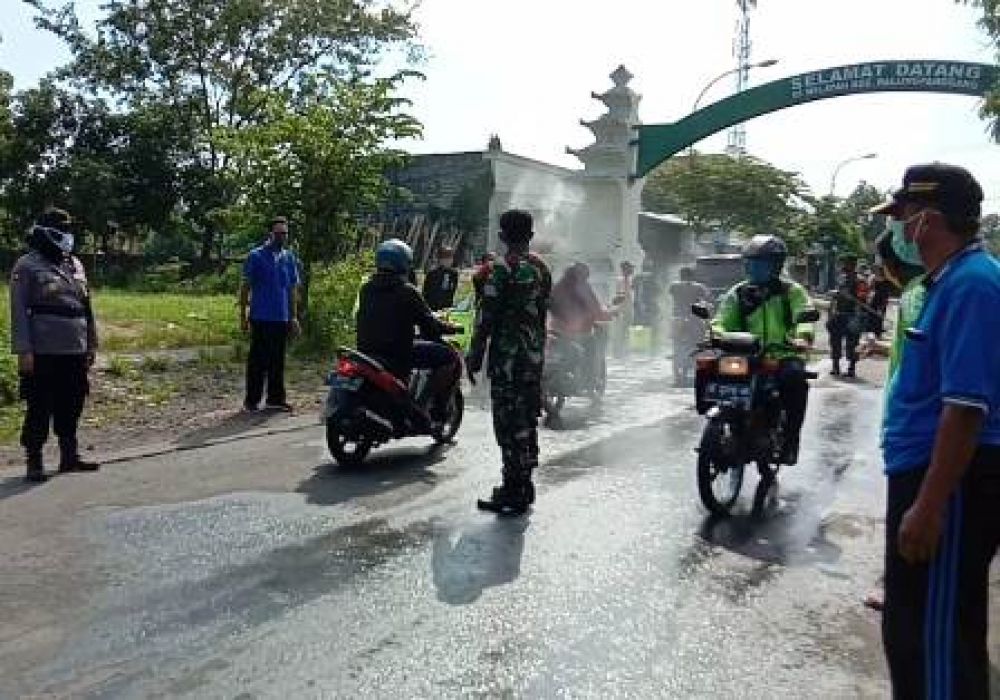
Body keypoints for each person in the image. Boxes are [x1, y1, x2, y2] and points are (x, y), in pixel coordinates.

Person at [873, 163, 999, 699]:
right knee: (911, 627)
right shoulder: (948, 281)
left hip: (952, 483)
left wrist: (929, 506)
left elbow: (966, 408)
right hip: (932, 474)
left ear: (926, 220)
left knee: (936, 636)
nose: (897, 230)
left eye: (901, 217)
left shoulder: (973, 285)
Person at [467, 210, 552, 515]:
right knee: (527, 418)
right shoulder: (542, 268)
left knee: (507, 423)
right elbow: (543, 311)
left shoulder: (498, 271)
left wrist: (474, 355)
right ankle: (524, 483)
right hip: (533, 358)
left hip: (507, 362)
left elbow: (485, 319)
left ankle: (512, 489)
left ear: (502, 236)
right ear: (530, 236)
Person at [10, 208, 99, 482]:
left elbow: (86, 308)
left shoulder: (75, 265)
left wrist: (91, 344)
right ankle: (34, 460)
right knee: (39, 405)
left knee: (71, 402)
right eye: (63, 229)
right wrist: (24, 350)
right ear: (47, 232)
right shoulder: (27, 266)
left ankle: (69, 456)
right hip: (43, 350)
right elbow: (18, 310)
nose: (68, 234)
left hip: (74, 347)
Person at [710, 235, 815, 465]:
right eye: (750, 263)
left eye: (761, 263)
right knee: (714, 372)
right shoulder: (738, 292)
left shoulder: (791, 291)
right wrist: (716, 334)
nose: (753, 268)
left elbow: (804, 314)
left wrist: (802, 337)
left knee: (795, 381)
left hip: (783, 354)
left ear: (776, 265)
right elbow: (722, 319)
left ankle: (789, 440)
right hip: (745, 354)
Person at [356, 239, 461, 423]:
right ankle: (424, 405)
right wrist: (450, 328)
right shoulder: (407, 291)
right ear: (403, 263)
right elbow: (428, 322)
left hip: (367, 350)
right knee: (449, 358)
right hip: (398, 351)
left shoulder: (367, 288)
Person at [239, 217, 301, 412]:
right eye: (278, 233)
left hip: (281, 317)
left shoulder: (288, 258)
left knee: (277, 359)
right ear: (270, 234)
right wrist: (243, 315)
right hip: (261, 316)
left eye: (285, 233)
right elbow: (245, 287)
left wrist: (293, 316)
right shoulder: (256, 256)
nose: (282, 237)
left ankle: (275, 398)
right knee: (258, 360)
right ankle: (252, 400)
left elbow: (292, 289)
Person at [548, 262, 615, 385]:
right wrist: (608, 315)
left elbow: (550, 305)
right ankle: (589, 380)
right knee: (592, 347)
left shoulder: (558, 286)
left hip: (556, 331)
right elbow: (595, 310)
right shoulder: (583, 288)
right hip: (578, 332)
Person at [669, 266, 711, 382]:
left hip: (678, 318)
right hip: (694, 318)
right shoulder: (699, 287)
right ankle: (688, 369)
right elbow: (706, 298)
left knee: (676, 344)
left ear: (681, 275)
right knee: (696, 343)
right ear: (692, 275)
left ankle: (677, 374)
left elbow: (672, 295)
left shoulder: (674, 286)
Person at [827, 252, 865, 377]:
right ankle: (835, 366)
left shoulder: (860, 281)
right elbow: (837, 296)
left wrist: (850, 297)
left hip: (852, 315)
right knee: (835, 341)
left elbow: (862, 299)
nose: (843, 265)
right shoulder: (841, 278)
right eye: (843, 263)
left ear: (852, 264)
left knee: (853, 343)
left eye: (845, 263)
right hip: (839, 314)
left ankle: (851, 368)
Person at [422, 245, 460, 312]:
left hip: (446, 306)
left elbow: (452, 290)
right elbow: (426, 291)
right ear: (440, 260)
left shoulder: (454, 273)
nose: (449, 261)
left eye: (450, 258)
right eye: (446, 258)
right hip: (432, 306)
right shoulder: (432, 273)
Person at [611, 261, 635, 358]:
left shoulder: (632, 280)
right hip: (620, 309)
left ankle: (625, 351)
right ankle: (617, 352)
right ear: (625, 270)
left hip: (628, 308)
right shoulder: (619, 280)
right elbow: (617, 296)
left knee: (627, 330)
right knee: (619, 331)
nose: (632, 270)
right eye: (630, 268)